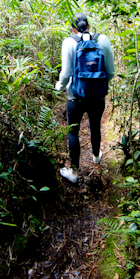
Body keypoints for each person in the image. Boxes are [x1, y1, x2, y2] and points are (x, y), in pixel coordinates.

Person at [55, 12, 115, 183]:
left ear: (72, 28)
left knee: (73, 131)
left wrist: (59, 86)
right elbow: (110, 72)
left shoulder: (69, 42)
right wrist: (97, 86)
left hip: (75, 97)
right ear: (89, 26)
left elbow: (66, 74)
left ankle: (74, 173)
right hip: (97, 97)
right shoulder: (103, 39)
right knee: (95, 124)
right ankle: (96, 155)